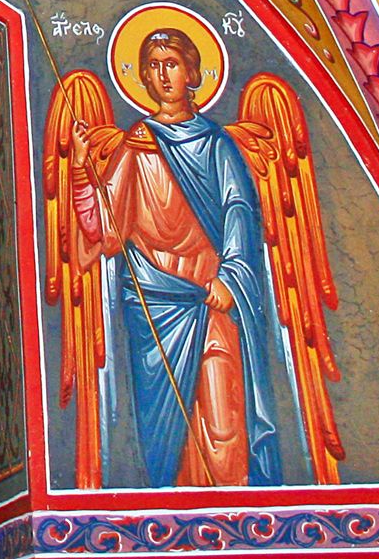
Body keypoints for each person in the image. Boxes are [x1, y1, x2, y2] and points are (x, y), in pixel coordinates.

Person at [64, 28, 286, 486]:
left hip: (209, 294)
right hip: (155, 302)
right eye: (153, 66)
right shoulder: (138, 144)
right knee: (168, 428)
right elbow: (106, 230)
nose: (163, 74)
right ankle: (178, 514)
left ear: (192, 73)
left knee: (223, 416)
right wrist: (84, 168)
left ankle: (234, 519)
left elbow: (239, 213)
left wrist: (231, 276)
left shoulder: (216, 144)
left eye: (172, 64)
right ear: (142, 76)